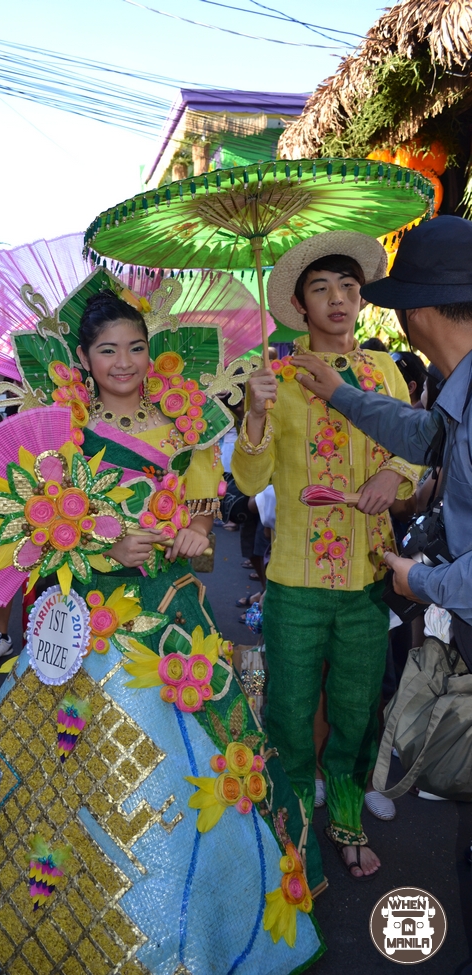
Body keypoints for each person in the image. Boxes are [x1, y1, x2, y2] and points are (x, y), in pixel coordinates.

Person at [0, 278, 326, 973]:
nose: (125, 361)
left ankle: (198, 931)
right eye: (109, 349)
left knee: (199, 774)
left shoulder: (190, 425)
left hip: (173, 620)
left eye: (137, 347)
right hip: (84, 623)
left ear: (154, 351)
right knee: (58, 778)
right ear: (84, 358)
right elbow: (32, 533)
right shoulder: (56, 428)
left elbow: (208, 524)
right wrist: (104, 544)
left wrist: (194, 528)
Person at [232, 231, 422, 880]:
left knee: (354, 711)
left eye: (347, 286)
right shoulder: (273, 378)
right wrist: (253, 419)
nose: (339, 299)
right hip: (294, 578)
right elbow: (249, 480)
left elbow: (418, 440)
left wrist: (392, 476)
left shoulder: (385, 371)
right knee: (287, 713)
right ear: (298, 304)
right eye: (322, 289)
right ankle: (293, 843)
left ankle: (346, 819)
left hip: (371, 574)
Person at [293, 215, 472, 668]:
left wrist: (425, 582)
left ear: (413, 313)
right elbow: (421, 436)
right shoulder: (460, 396)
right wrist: (340, 393)